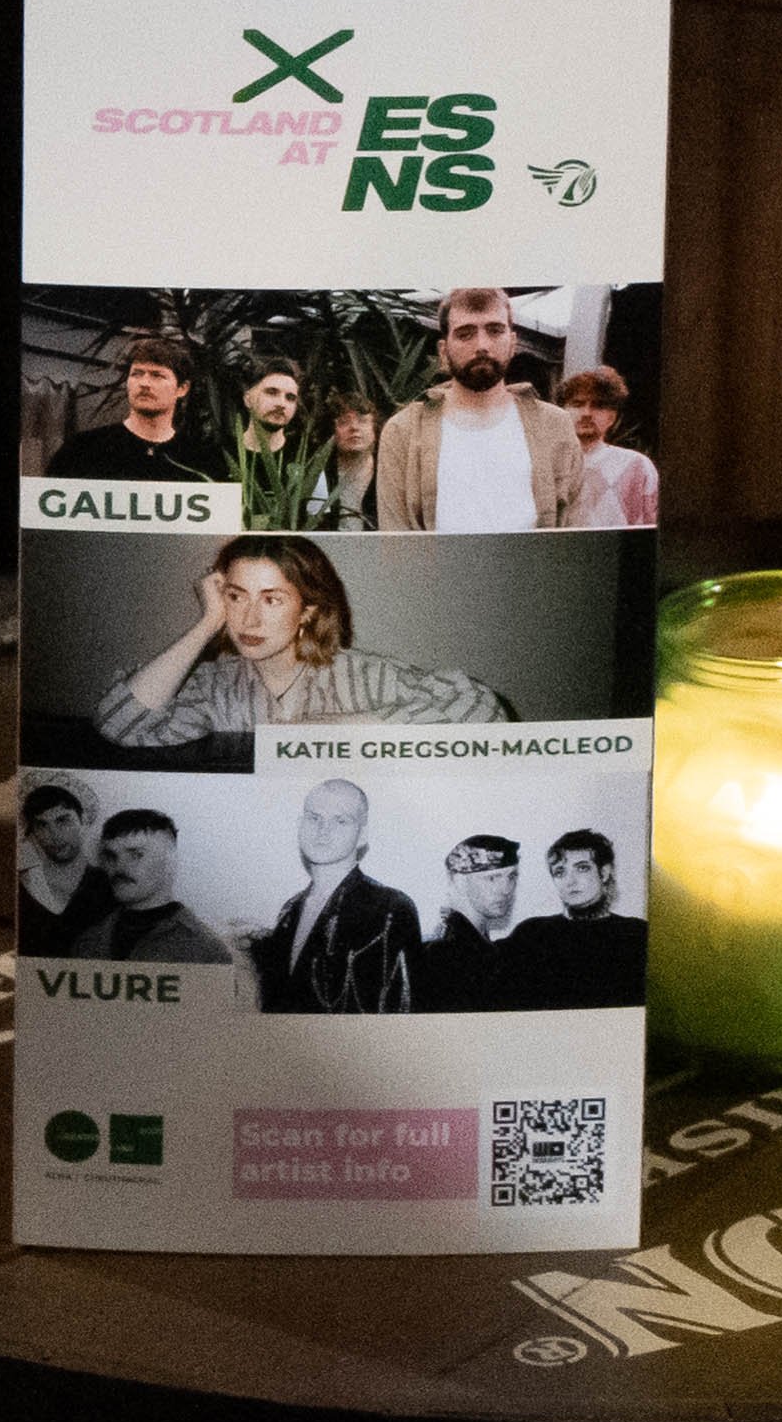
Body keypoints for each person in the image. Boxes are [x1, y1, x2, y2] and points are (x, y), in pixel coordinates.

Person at [94, 534, 504, 765]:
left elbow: (483, 711)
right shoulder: (213, 688)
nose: (249, 620)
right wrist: (207, 623)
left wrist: (339, 726)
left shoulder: (363, 676)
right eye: (236, 597)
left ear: (307, 610)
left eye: (271, 599)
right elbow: (119, 725)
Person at [375, 289, 584, 530]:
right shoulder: (404, 431)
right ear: (443, 351)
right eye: (465, 334)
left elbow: (573, 529)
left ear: (513, 343)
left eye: (495, 331)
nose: (482, 345)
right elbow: (395, 539)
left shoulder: (555, 425)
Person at [251, 779, 421, 1012]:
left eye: (340, 821)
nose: (323, 830)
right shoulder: (290, 910)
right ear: (300, 825)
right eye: (314, 818)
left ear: (362, 835)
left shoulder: (391, 908)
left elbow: (404, 1010)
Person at [497, 829, 649, 1010]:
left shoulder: (637, 934)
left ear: (604, 872)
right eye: (560, 872)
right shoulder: (532, 934)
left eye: (582, 868)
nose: (570, 881)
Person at [69, 809, 235, 962]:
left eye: (136, 855)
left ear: (170, 861)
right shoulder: (88, 942)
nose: (119, 867)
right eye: (111, 856)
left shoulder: (204, 950)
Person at [45, 336, 207, 481]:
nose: (144, 383)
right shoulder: (82, 449)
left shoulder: (199, 459)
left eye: (157, 375)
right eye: (137, 374)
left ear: (182, 388)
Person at [417, 833, 519, 1012]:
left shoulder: (480, 948)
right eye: (492, 878)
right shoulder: (444, 955)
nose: (506, 889)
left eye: (511, 876)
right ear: (460, 880)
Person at [16, 780, 118, 956]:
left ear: (83, 820)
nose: (54, 835)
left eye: (63, 820)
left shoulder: (113, 887)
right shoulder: (21, 888)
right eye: (42, 825)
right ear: (32, 832)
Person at [558, 365, 660, 529]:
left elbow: (652, 528)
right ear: (561, 411)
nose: (586, 413)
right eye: (577, 404)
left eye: (598, 406)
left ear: (612, 417)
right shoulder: (549, 463)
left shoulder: (637, 466)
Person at [319, 392, 381, 527]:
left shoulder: (389, 473)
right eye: (344, 422)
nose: (354, 427)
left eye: (362, 421)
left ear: (374, 430)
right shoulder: (319, 474)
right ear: (333, 432)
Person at [240, 358, 303, 459]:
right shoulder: (219, 457)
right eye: (271, 392)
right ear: (248, 399)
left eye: (290, 398)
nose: (281, 404)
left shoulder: (305, 458)